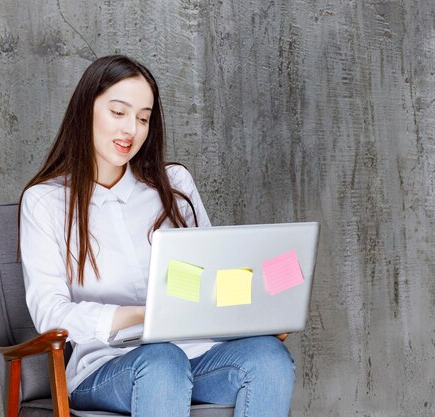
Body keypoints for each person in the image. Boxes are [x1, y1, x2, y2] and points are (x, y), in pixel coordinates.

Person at [18, 55, 295, 417]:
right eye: (118, 113)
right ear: (86, 111)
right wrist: (140, 314)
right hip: (108, 366)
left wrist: (257, 312)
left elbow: (213, 277)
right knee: (162, 362)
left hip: (197, 354)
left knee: (268, 358)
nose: (131, 129)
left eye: (143, 118)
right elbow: (51, 314)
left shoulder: (173, 185)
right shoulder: (46, 202)